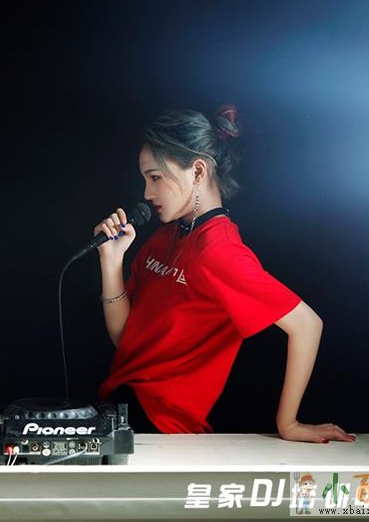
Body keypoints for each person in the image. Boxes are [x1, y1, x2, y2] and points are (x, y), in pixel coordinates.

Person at [94, 106, 353, 443]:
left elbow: (307, 324)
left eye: (155, 177)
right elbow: (125, 339)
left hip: (160, 426)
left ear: (198, 171)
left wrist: (287, 422)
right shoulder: (163, 238)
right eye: (145, 179)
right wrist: (111, 261)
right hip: (118, 405)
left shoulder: (218, 251)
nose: (146, 193)